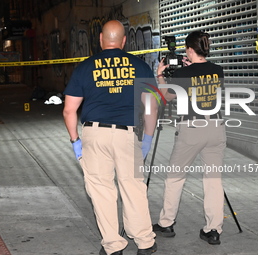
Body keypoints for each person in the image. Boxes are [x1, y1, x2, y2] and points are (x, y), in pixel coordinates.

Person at [63, 20, 158, 255]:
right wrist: (147, 139)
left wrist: (75, 141)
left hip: (95, 135)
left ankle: (114, 246)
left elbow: (68, 110)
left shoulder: (85, 68)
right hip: (127, 135)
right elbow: (151, 108)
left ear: (100, 40)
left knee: (101, 189)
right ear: (124, 41)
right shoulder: (140, 66)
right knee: (133, 187)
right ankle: (145, 242)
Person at [153, 31, 226, 245]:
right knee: (213, 181)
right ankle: (213, 230)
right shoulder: (217, 70)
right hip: (216, 128)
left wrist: (160, 75)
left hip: (192, 129)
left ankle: (166, 223)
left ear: (190, 50)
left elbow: (166, 96)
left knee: (175, 177)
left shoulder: (184, 74)